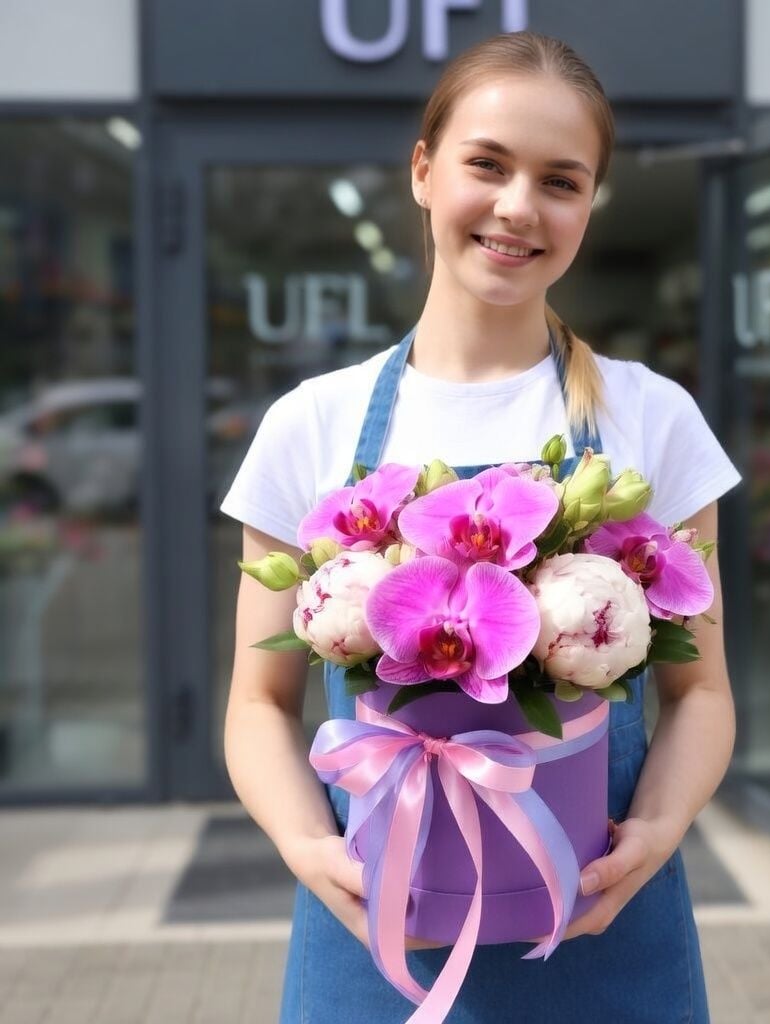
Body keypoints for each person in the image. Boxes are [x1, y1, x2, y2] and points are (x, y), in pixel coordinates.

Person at [220, 30, 741, 1024]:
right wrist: (306, 849)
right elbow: (257, 700)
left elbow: (703, 688)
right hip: (378, 933)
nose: (517, 207)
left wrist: (661, 826)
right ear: (423, 171)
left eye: (560, 180)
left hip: (600, 927)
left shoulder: (649, 418)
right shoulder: (313, 425)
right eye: (487, 165)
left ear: (589, 205)